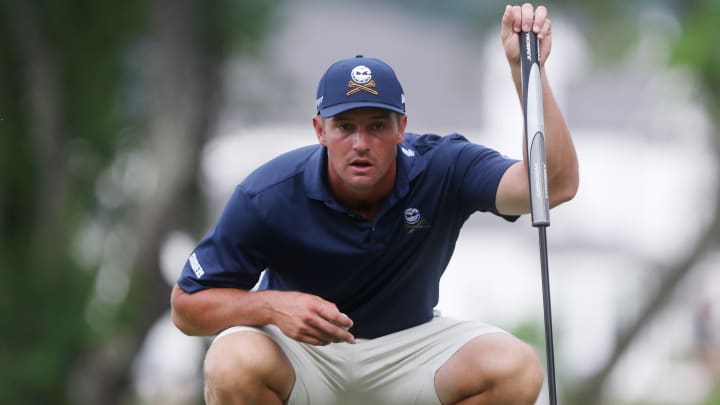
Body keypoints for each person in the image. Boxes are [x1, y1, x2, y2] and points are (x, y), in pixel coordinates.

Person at [171, 3, 578, 405]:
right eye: (345, 127)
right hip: (301, 354)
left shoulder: (444, 166)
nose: (361, 144)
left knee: (515, 368)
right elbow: (187, 308)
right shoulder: (269, 194)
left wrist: (527, 72)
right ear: (320, 130)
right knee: (231, 361)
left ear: (401, 127)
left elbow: (551, 187)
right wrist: (273, 307)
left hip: (411, 349)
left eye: (377, 126)